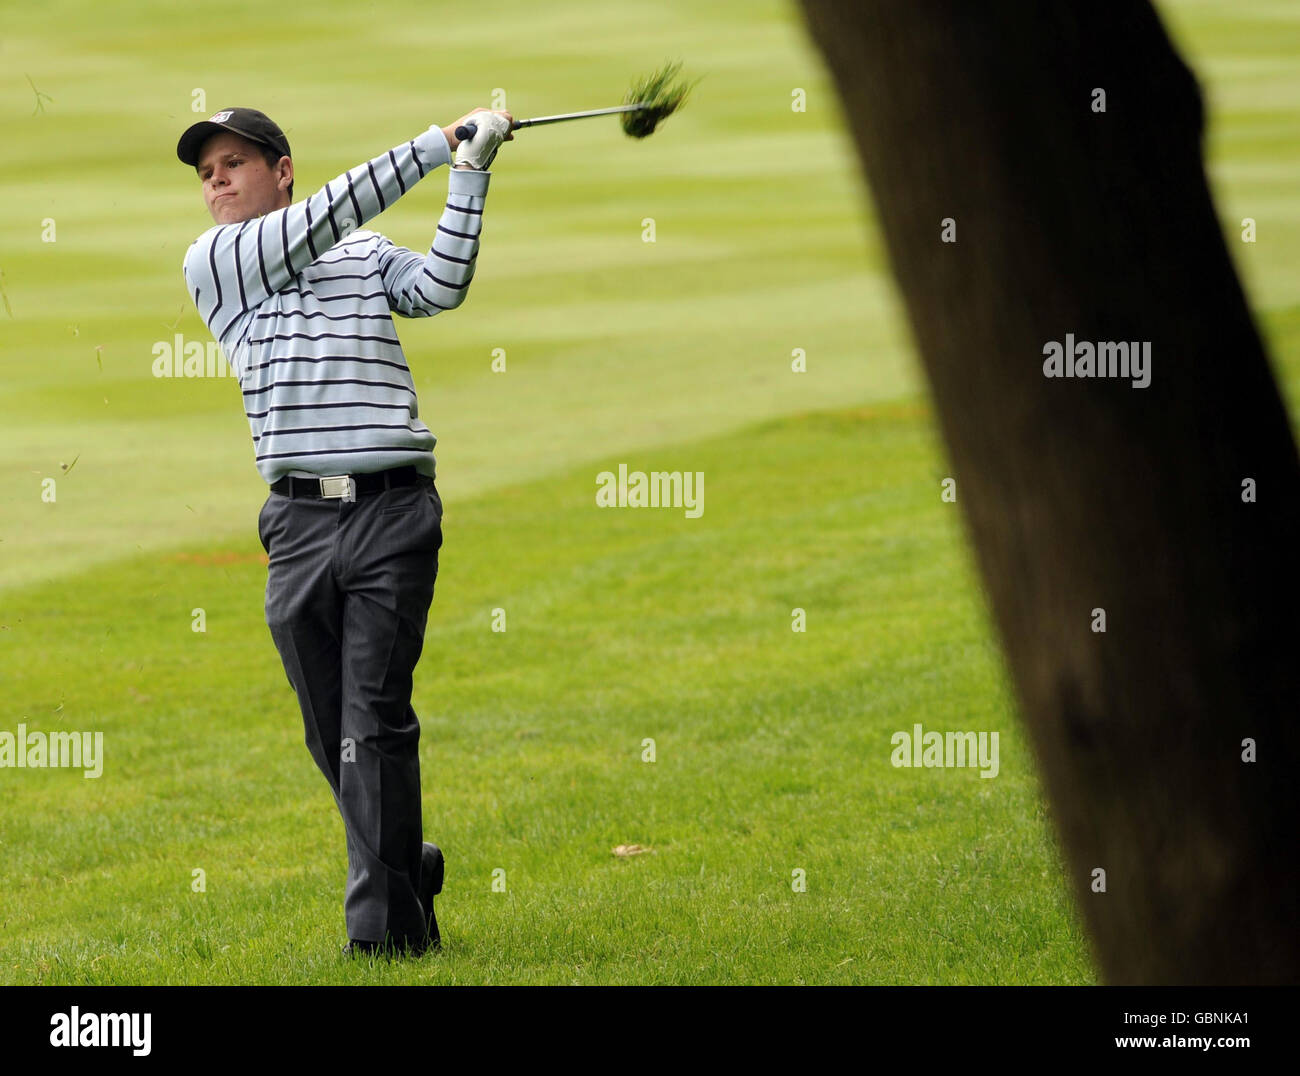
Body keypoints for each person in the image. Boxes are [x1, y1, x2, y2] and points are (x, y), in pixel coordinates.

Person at [175, 104, 513, 958]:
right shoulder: (217, 262)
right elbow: (332, 214)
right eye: (206, 170)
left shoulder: (360, 254)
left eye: (232, 164)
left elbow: (437, 288)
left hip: (393, 510)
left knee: (375, 716)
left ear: (281, 168)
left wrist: (469, 176)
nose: (215, 181)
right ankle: (407, 857)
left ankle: (383, 937)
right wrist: (438, 143)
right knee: (332, 730)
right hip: (296, 522)